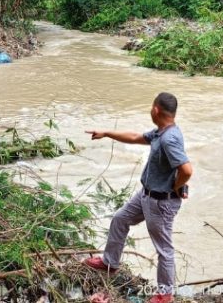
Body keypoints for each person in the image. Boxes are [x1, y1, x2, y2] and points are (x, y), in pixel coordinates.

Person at [82, 92, 194, 303]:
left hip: (160, 202)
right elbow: (135, 137)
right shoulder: (162, 132)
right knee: (120, 219)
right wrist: (106, 133)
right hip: (146, 195)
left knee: (164, 249)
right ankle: (110, 262)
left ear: (155, 110)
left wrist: (175, 187)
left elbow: (187, 170)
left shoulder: (169, 138)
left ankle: (165, 295)